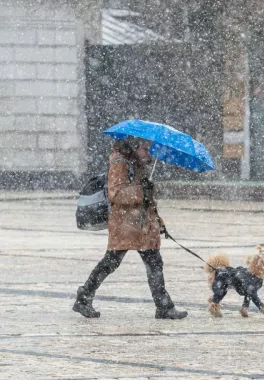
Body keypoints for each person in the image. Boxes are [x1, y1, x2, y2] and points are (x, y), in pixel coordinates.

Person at [73, 136, 187, 320]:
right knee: (111, 262)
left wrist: (157, 217)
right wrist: (141, 191)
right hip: (125, 225)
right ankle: (84, 297)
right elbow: (115, 194)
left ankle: (164, 306)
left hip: (141, 225)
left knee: (154, 262)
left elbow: (145, 197)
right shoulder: (120, 163)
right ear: (135, 147)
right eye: (145, 148)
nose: (148, 151)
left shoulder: (138, 164)